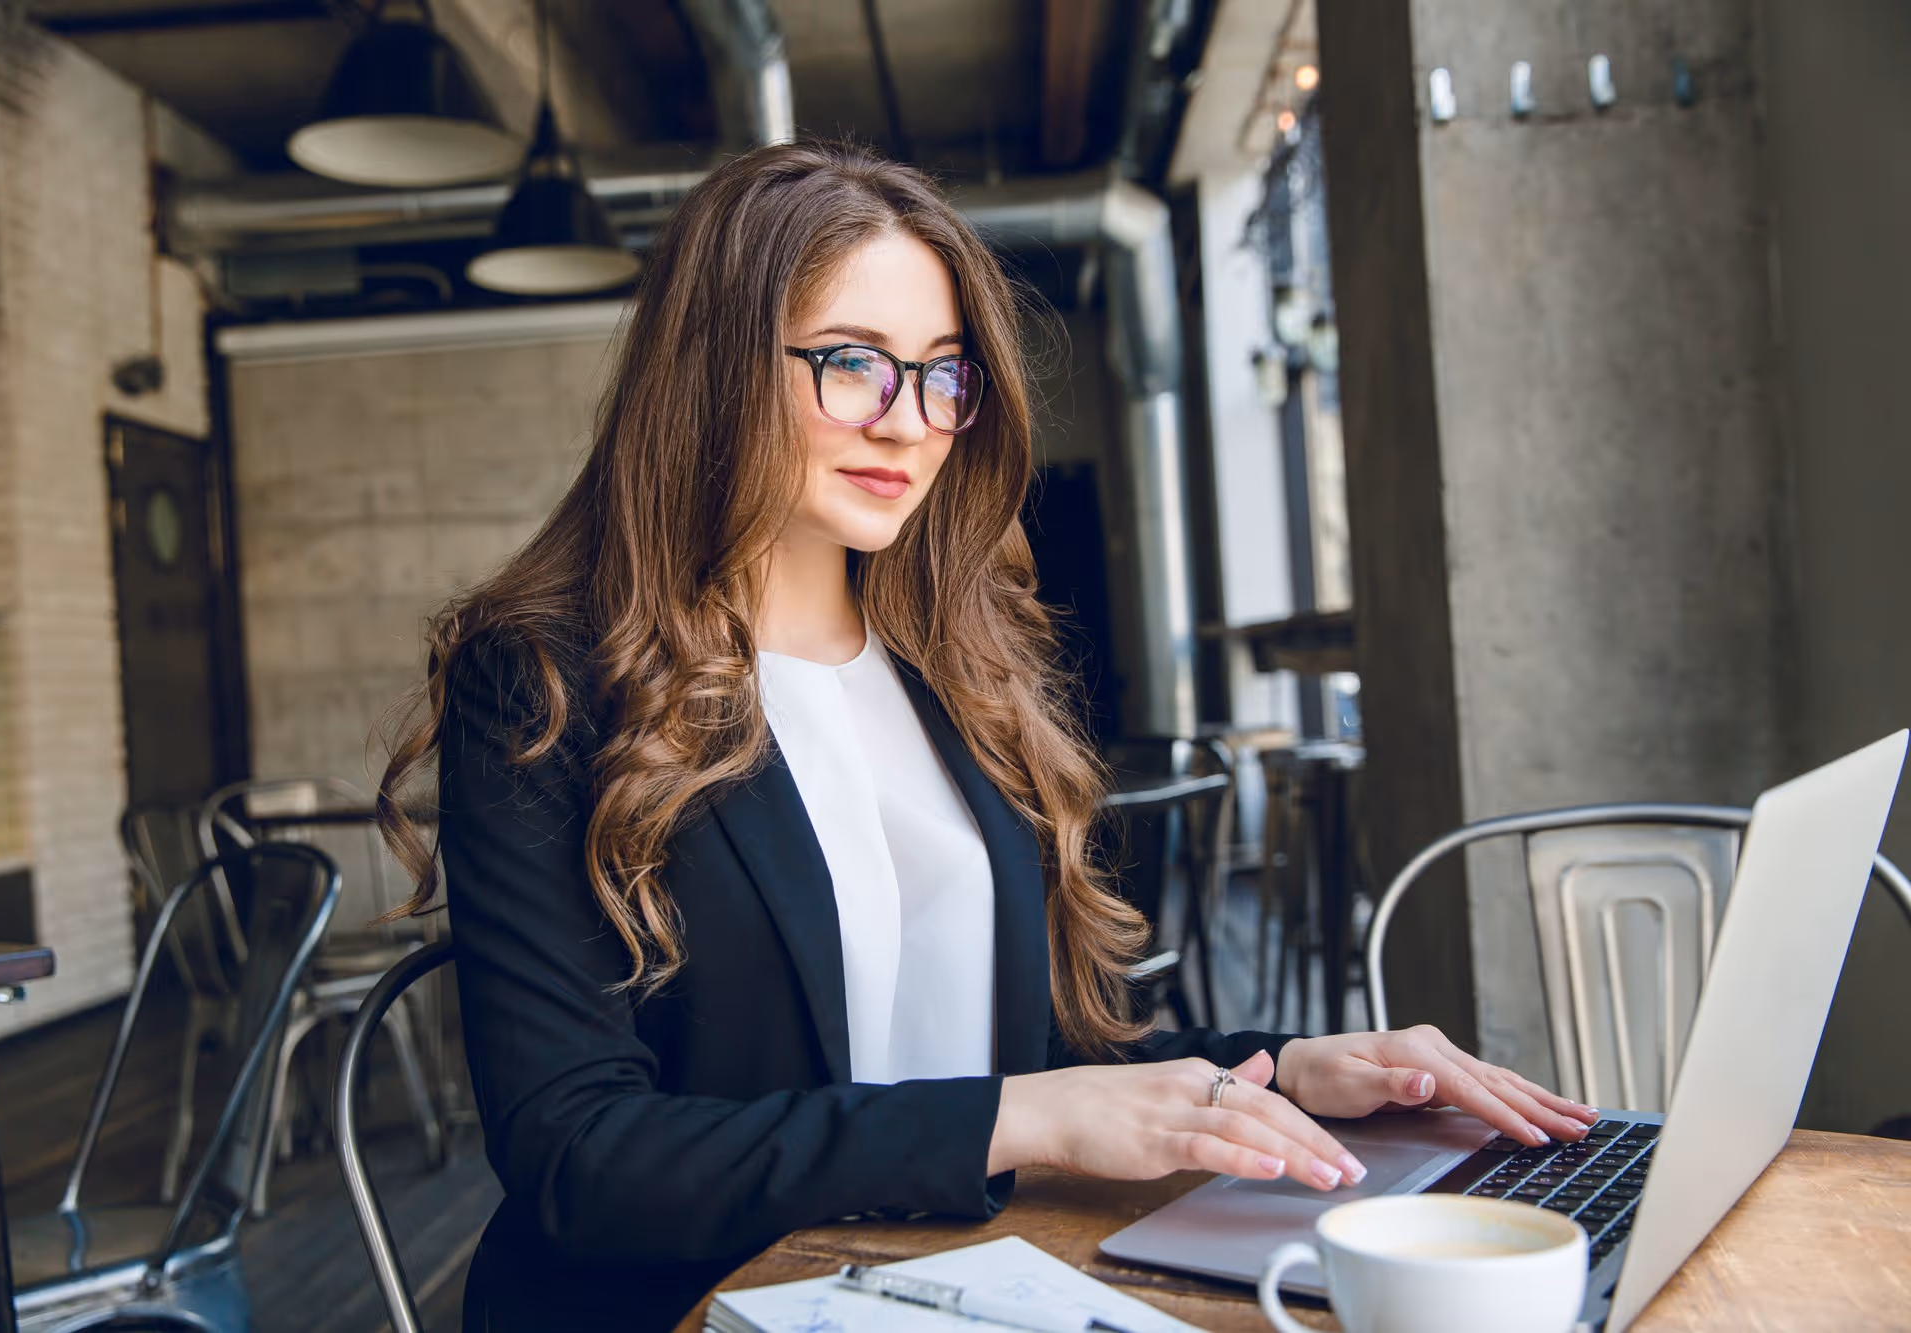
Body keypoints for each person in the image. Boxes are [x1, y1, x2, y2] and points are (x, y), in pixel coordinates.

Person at [377, 142, 1597, 1331]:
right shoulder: (543, 680)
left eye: (942, 373)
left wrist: (1285, 1064)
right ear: (714, 370)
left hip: (965, 1278)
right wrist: (1027, 1117)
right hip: (691, 1306)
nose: (909, 422)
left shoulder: (952, 664)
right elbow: (580, 1154)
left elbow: (1025, 1066)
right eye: (852, 363)